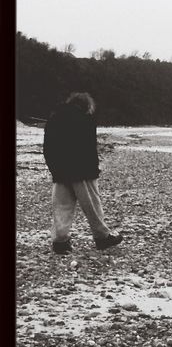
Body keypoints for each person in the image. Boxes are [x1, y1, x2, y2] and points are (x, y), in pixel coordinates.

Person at [41, 92, 123, 254]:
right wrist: (94, 169)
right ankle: (102, 237)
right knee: (92, 206)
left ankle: (60, 242)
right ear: (87, 106)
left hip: (60, 170)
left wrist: (53, 168)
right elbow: (89, 148)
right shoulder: (86, 120)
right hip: (83, 170)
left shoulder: (54, 117)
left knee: (62, 207)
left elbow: (47, 147)